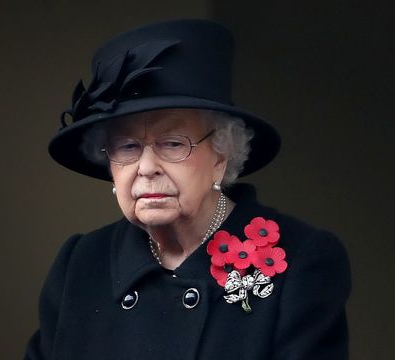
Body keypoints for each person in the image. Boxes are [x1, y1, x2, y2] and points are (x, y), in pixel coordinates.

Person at [24, 19, 350, 360]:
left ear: (221, 155)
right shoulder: (80, 263)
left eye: (172, 143)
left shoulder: (304, 260)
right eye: (127, 147)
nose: (147, 167)